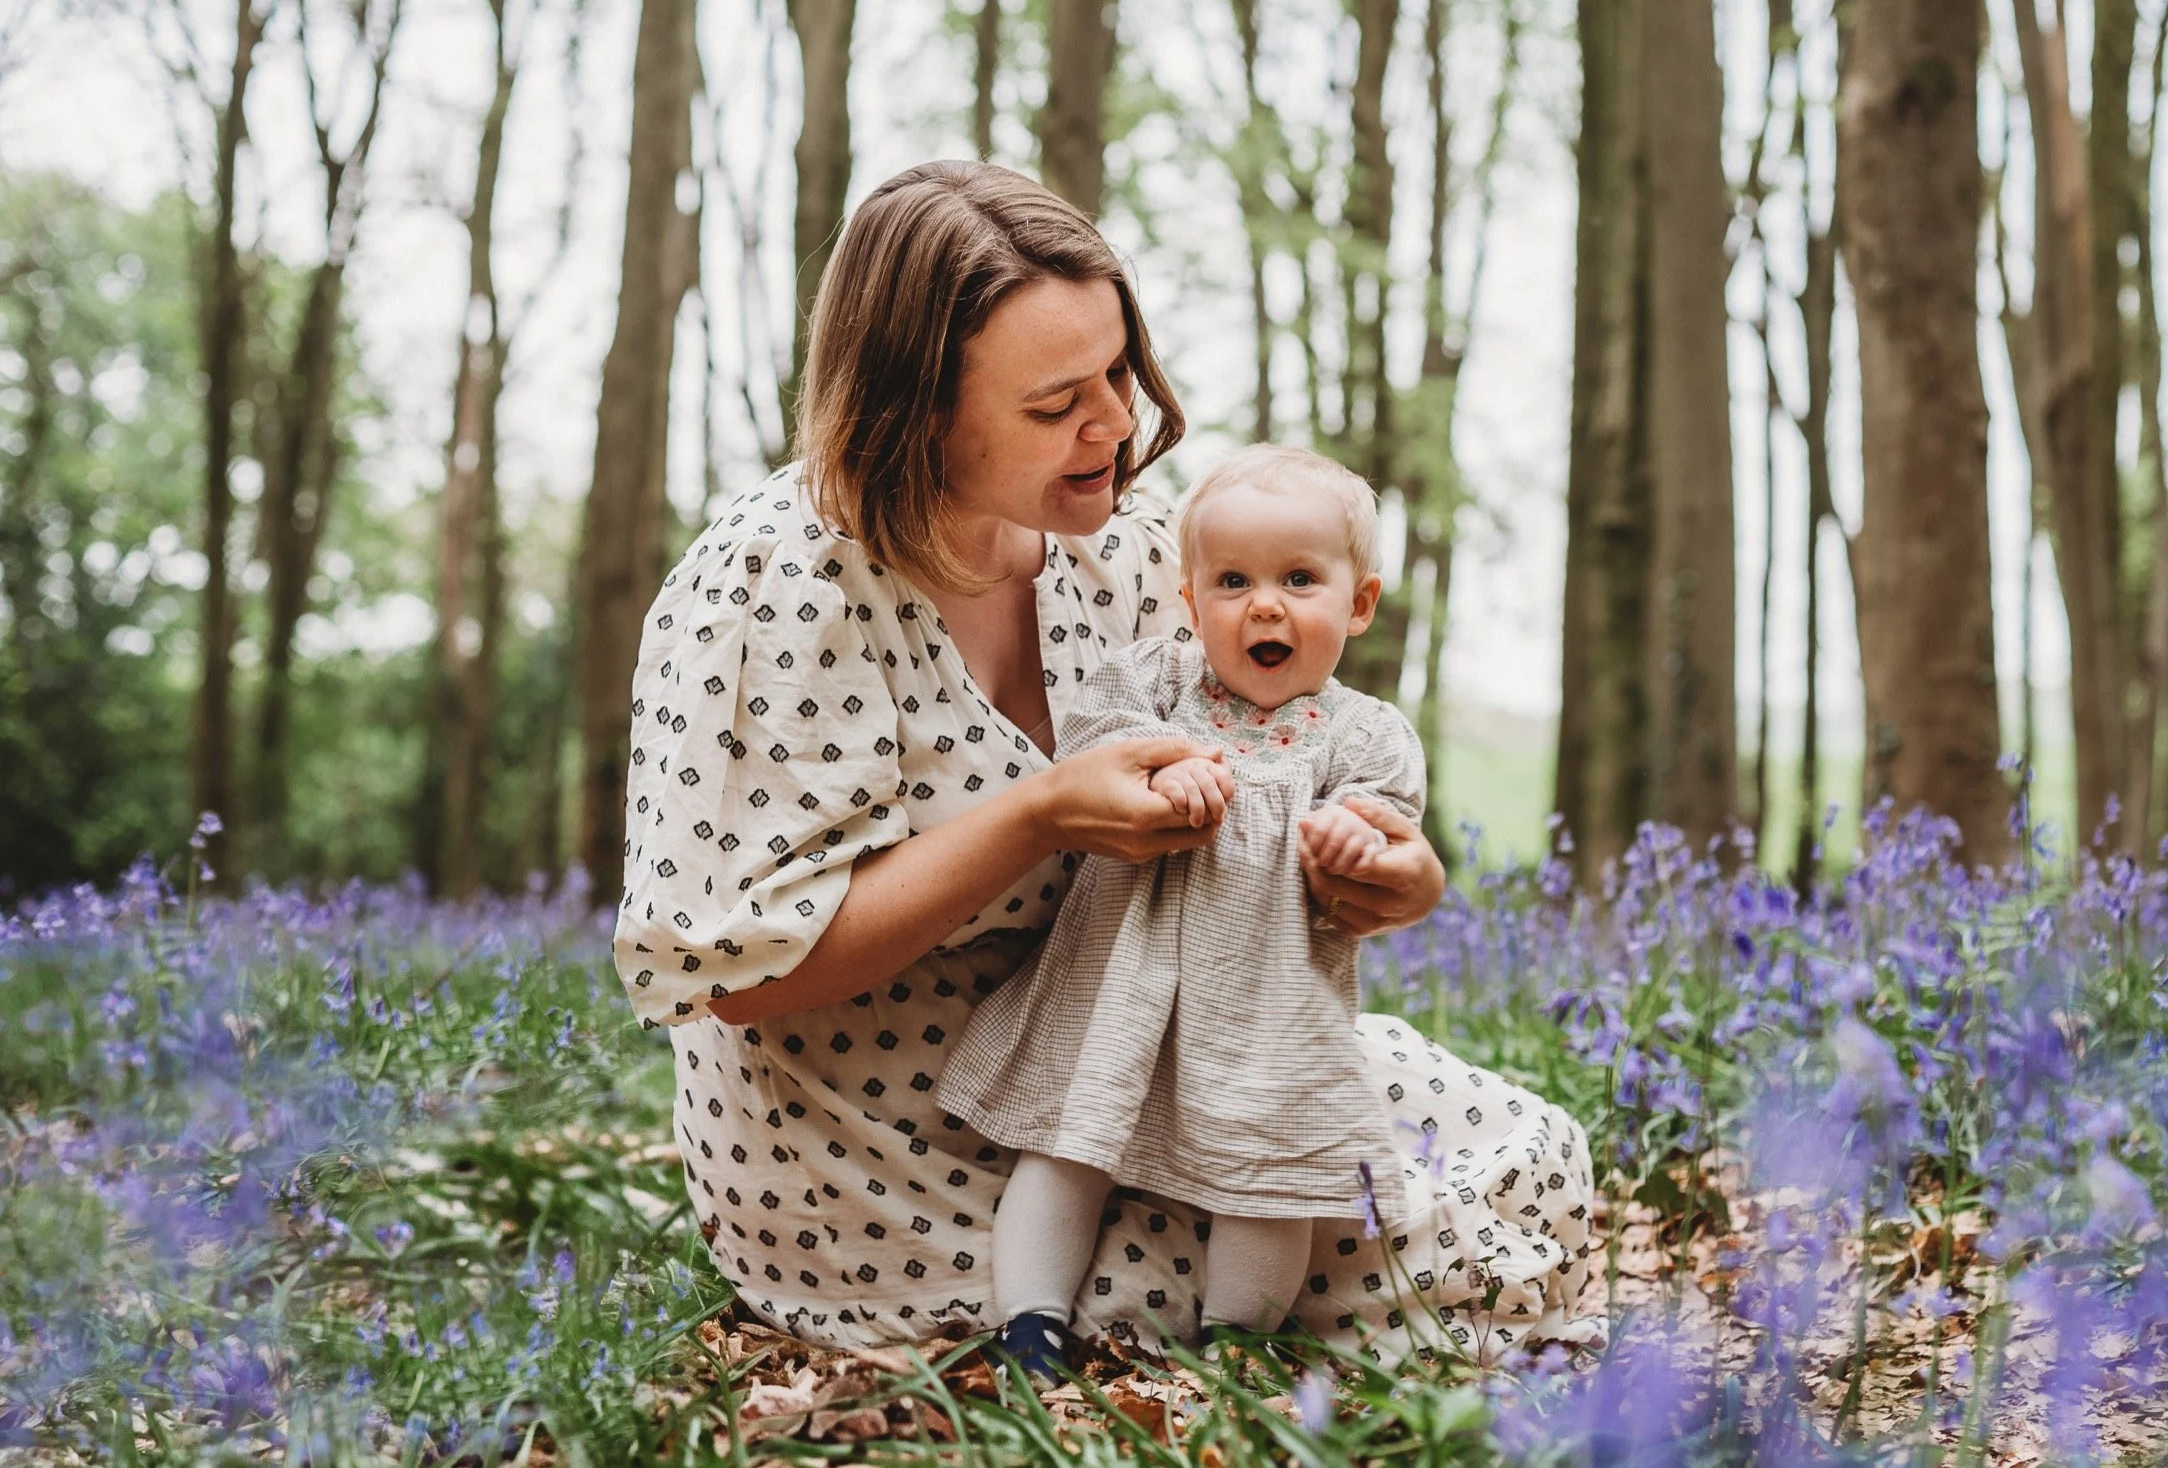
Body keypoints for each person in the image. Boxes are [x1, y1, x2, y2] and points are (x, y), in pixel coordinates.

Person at [612, 161, 1601, 1361]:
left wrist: (1381, 875)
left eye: (1118, 373)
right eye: (1054, 405)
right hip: (871, 1132)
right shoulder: (775, 586)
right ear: (916, 412)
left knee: (1524, 1155)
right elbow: (737, 975)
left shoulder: (1120, 547)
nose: (1118, 425)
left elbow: (1278, 763)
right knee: (1410, 1247)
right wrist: (1039, 817)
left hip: (1153, 1042)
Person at [938, 445, 1425, 1372]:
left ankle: (1240, 1342)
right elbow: (1093, 732)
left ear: (1358, 604)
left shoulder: (1364, 735)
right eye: (1233, 582)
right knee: (1066, 1145)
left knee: (1271, 1177)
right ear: (1193, 604)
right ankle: (1030, 1324)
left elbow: (1388, 819)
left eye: (1299, 579)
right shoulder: (1158, 683)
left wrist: (1353, 838)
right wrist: (1161, 765)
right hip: (1120, 982)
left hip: (1268, 1010)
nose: (1265, 605)